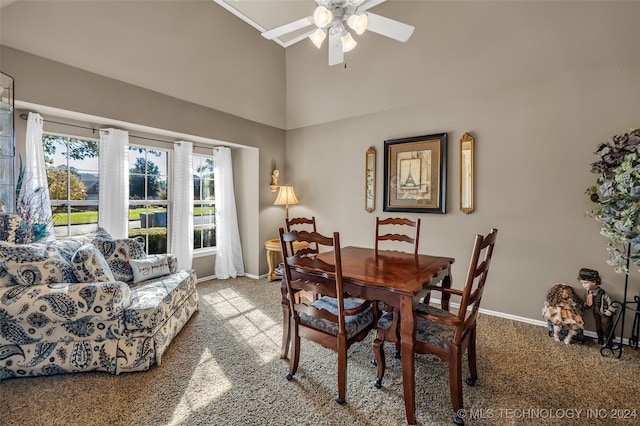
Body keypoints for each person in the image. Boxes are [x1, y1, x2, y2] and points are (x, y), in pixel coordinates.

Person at [578, 268, 616, 346]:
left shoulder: (602, 293)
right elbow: (587, 300)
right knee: (598, 327)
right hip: (596, 312)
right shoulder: (588, 292)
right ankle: (600, 339)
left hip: (604, 313)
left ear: (594, 282)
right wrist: (585, 305)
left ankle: (609, 342)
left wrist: (610, 310)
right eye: (582, 283)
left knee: (606, 327)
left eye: (585, 283)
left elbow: (612, 302)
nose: (583, 285)